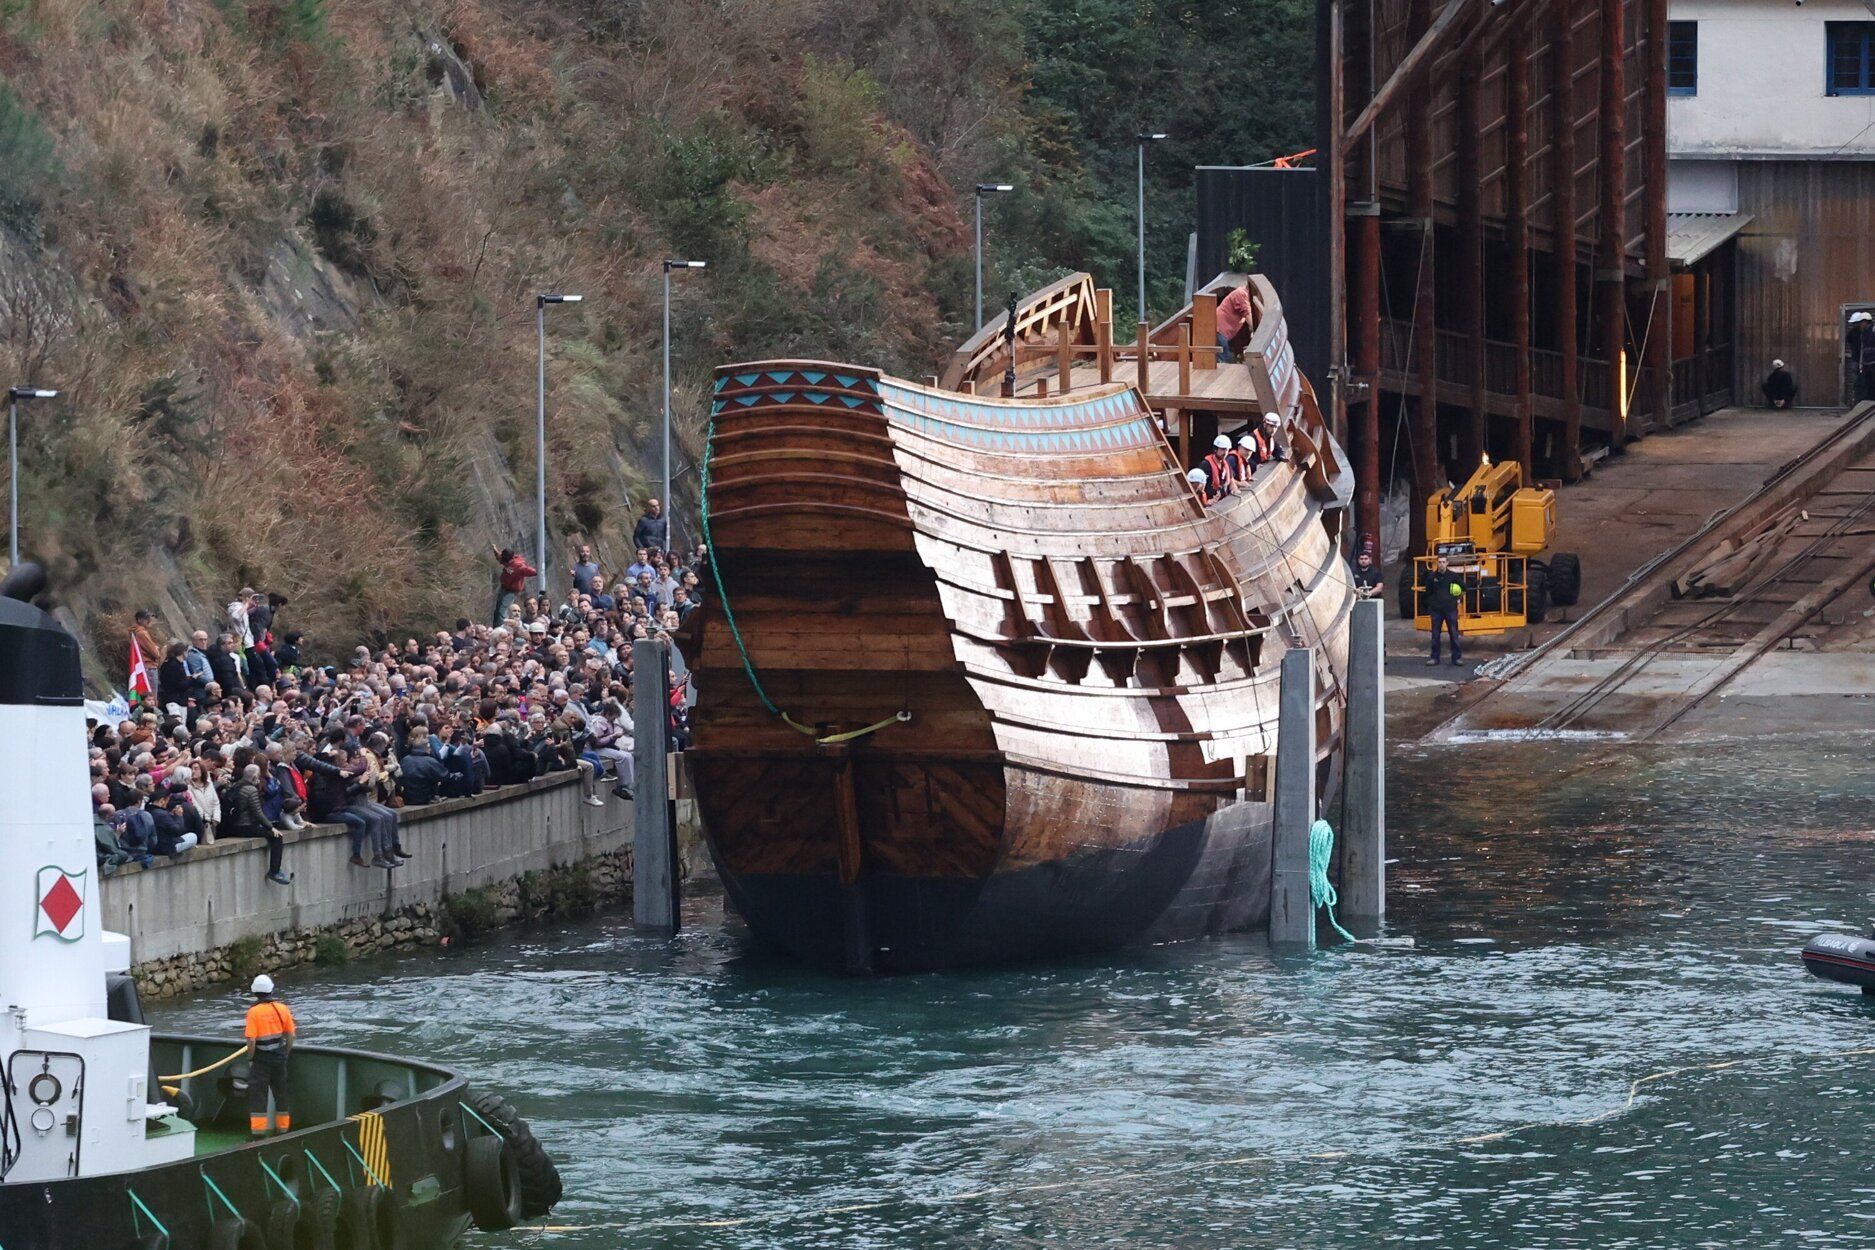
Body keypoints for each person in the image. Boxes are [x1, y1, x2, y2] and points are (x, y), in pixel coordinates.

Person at [243, 974, 295, 1138]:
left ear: (254, 992)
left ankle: (258, 1133)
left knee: (259, 1095)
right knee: (281, 1093)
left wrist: (250, 1058)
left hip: (261, 1060)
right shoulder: (282, 1008)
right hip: (279, 1058)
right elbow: (291, 1036)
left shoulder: (254, 1012)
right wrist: (285, 1053)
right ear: (271, 990)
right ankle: (283, 1129)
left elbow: (251, 1040)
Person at [1419, 554, 1466, 667]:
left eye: (1444, 562)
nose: (1441, 564)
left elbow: (1464, 588)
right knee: (1435, 635)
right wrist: (1430, 606)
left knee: (1454, 633)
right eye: (1439, 562)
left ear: (1447, 563)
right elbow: (1427, 593)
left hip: (1450, 609)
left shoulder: (1453, 576)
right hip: (1436, 611)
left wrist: (1457, 599)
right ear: (1437, 563)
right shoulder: (1431, 577)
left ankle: (1457, 658)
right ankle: (1434, 658)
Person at [490, 546, 537, 626]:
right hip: (504, 587)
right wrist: (495, 550)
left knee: (503, 609)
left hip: (512, 590)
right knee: (498, 607)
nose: (503, 563)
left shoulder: (519, 566)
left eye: (504, 561)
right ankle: (496, 624)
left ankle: (501, 627)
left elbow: (532, 571)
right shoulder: (505, 560)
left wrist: (538, 569)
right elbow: (499, 557)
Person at [1215, 282, 1252, 364]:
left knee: (1224, 356)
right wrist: (1256, 330)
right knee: (1223, 358)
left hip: (1223, 330)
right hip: (1219, 328)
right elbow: (1247, 314)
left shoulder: (1243, 294)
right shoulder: (1241, 293)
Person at [1202, 435, 1235, 500]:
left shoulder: (1226, 463)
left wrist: (1233, 489)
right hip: (1211, 501)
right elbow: (1199, 487)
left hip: (1224, 499)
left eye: (1227, 450)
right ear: (1215, 449)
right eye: (1222, 449)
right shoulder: (1205, 465)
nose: (1225, 453)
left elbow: (1231, 480)